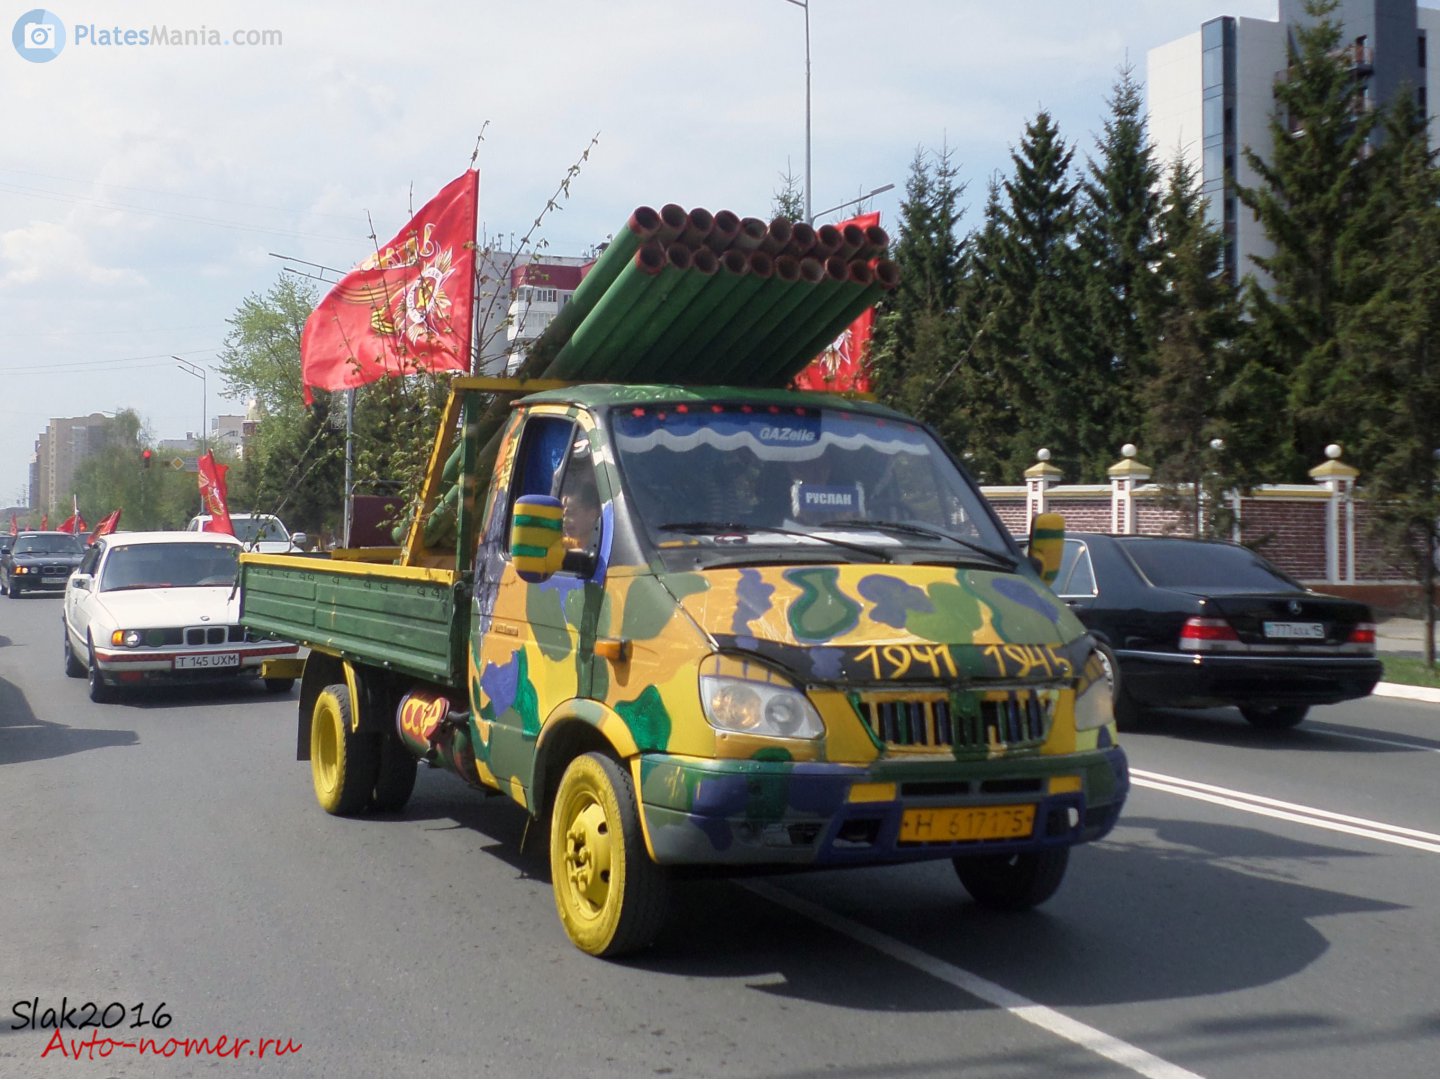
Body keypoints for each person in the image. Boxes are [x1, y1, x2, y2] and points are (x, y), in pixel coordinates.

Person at [561, 474, 602, 550]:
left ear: (592, 515)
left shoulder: (605, 549)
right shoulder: (561, 547)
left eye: (571, 513)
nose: (565, 520)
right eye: (563, 515)